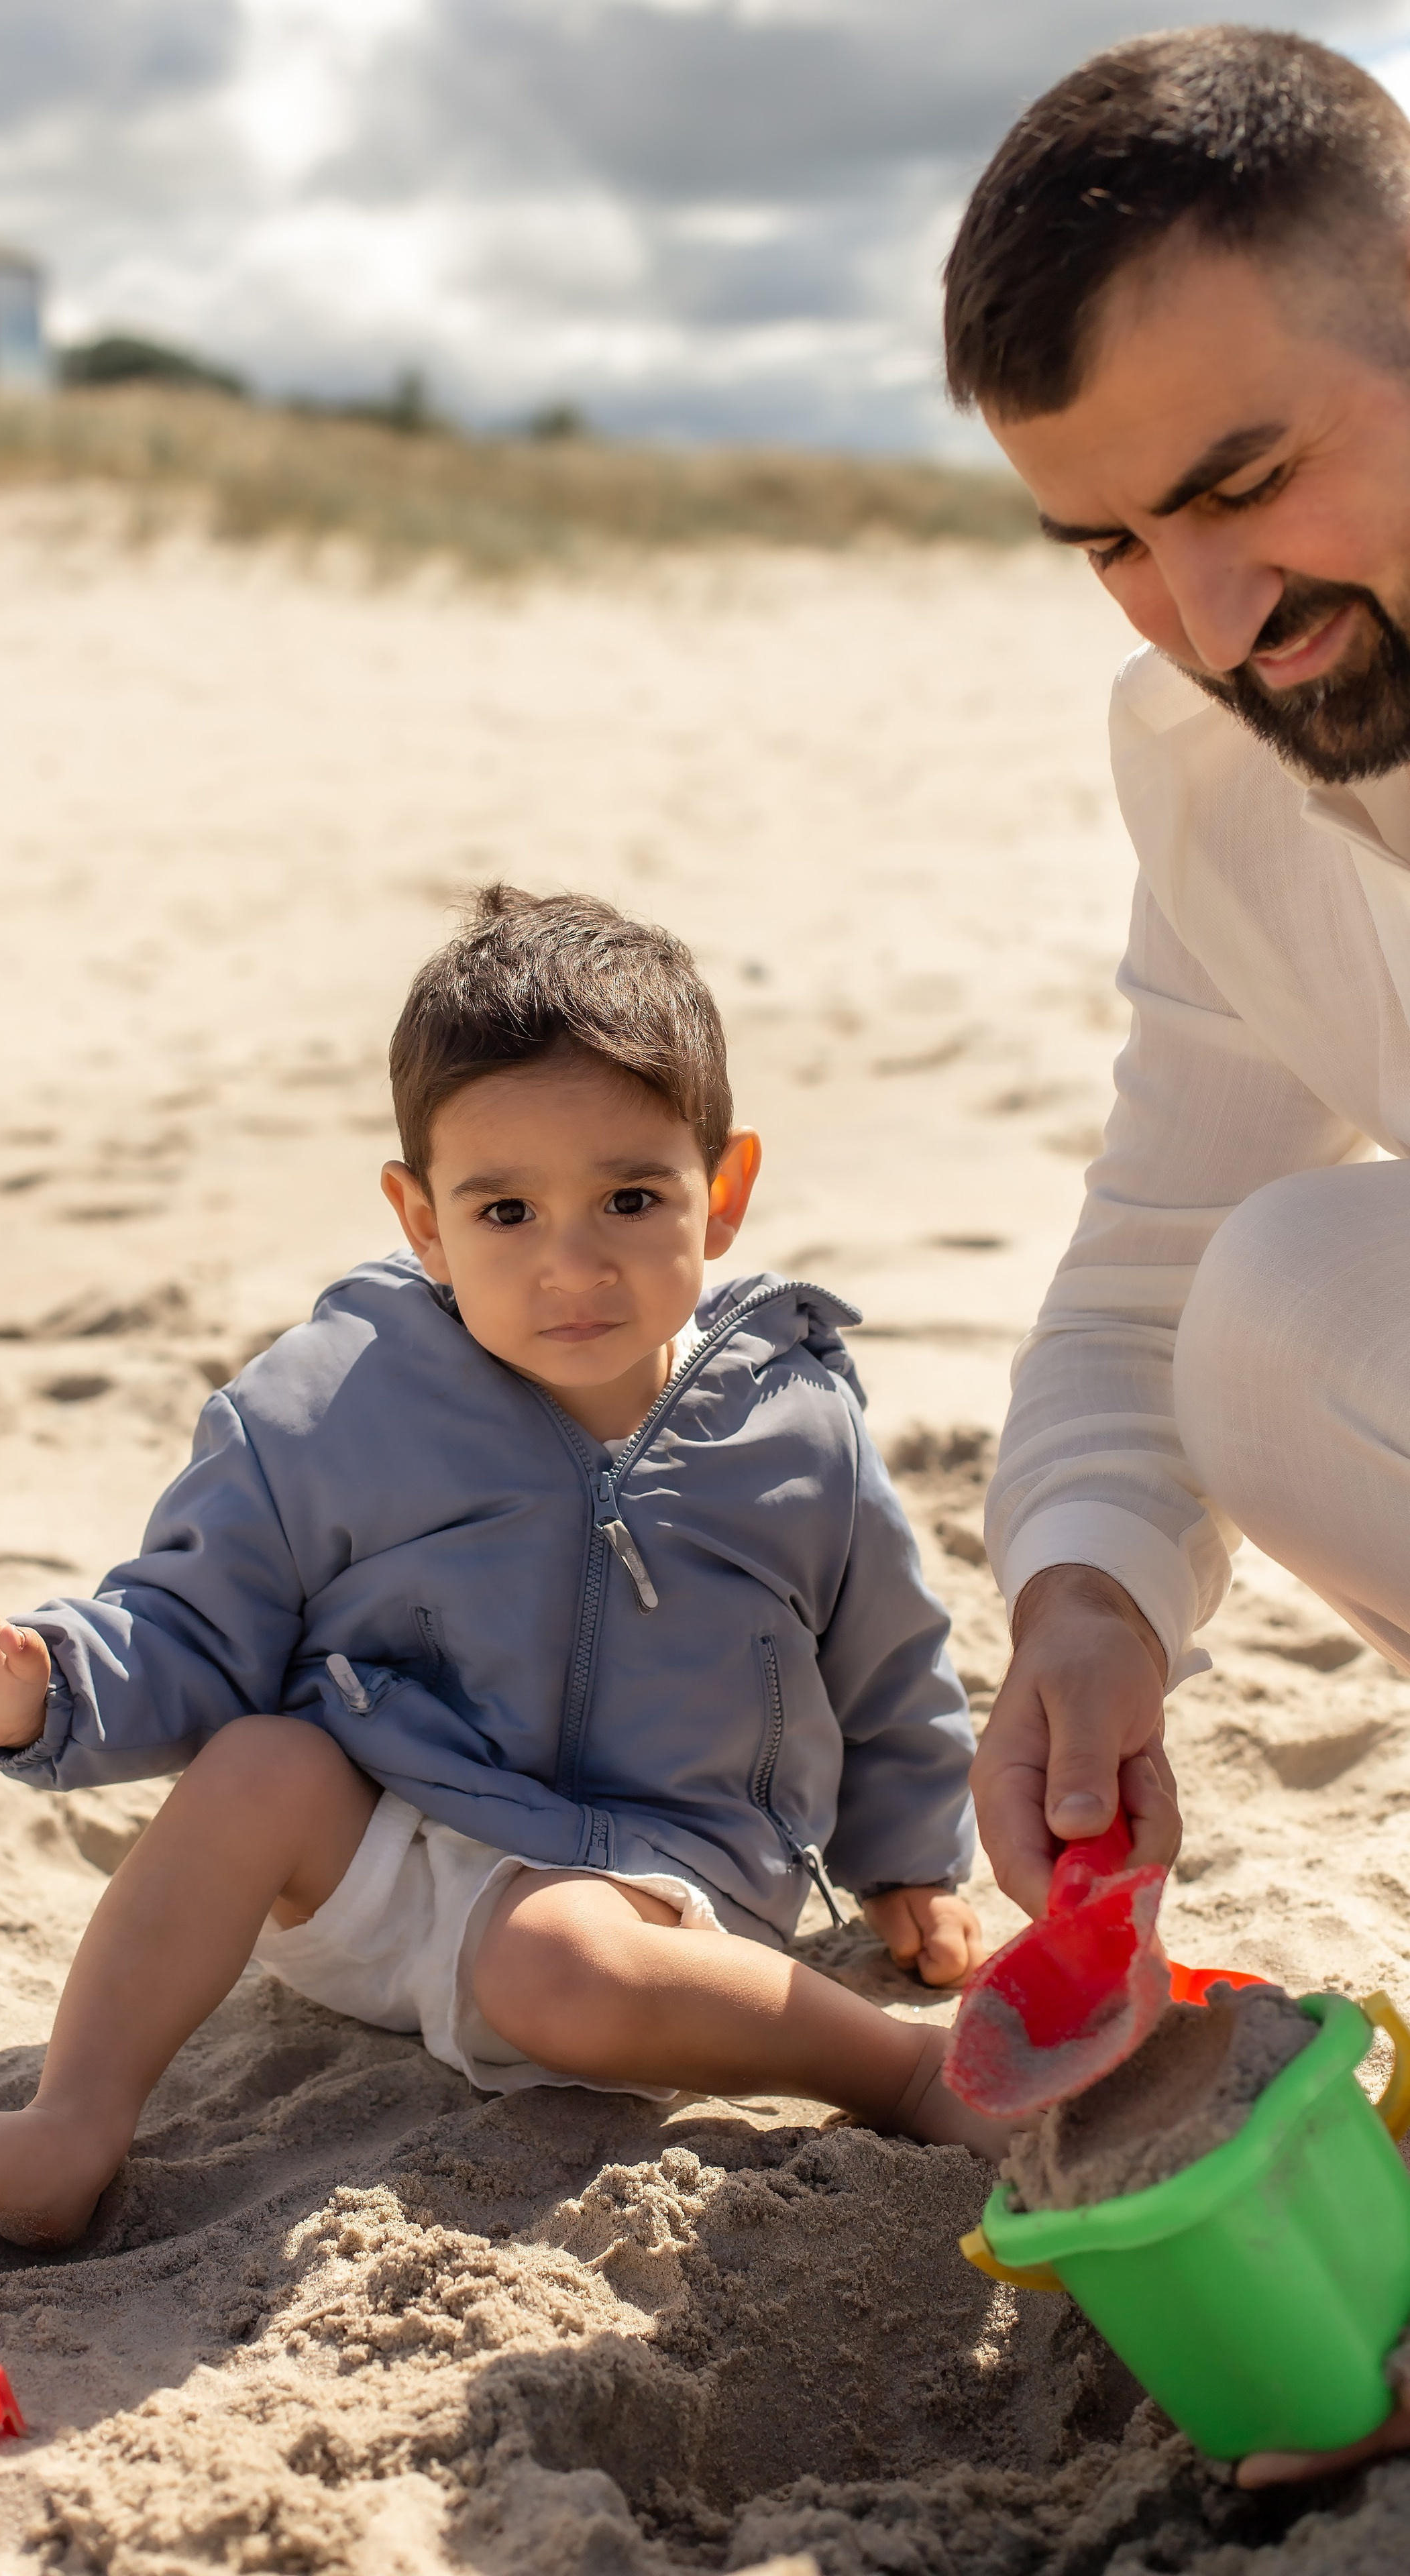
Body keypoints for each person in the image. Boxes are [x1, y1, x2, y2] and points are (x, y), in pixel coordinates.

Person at [0, 885, 1011, 2245]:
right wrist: (30, 1686)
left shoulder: (792, 1427)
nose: (570, 1265)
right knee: (256, 1766)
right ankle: (76, 2120)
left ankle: (901, 2071)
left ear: (723, 1194)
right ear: (420, 1221)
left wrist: (906, 1863)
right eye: (505, 1212)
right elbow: (190, 1625)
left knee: (554, 1958)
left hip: (650, 1879)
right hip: (388, 1844)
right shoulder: (328, 1410)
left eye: (630, 1199)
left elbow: (881, 1654)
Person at [944, 26, 1410, 2485]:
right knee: (1283, 1300)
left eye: (1246, 479)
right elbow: (1153, 1252)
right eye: (1110, 539)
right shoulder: (1221, 745)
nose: (1207, 611)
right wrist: (1093, 1601)